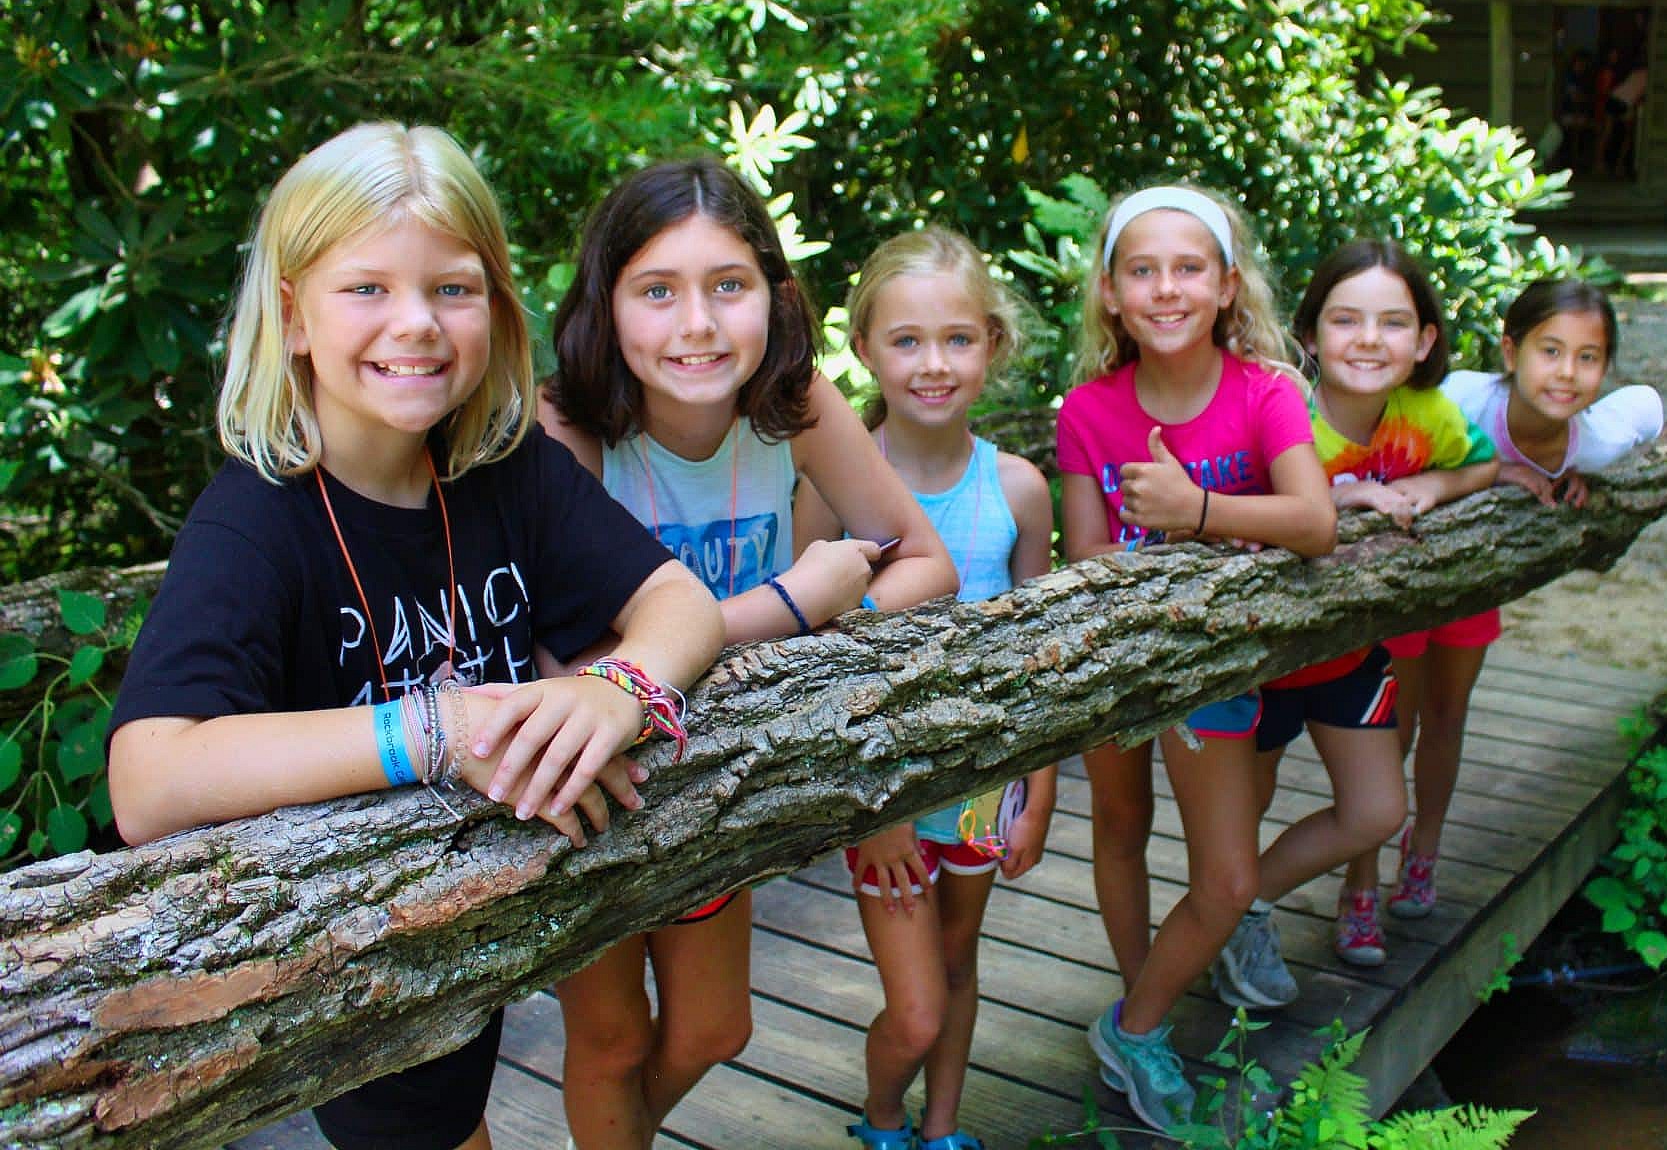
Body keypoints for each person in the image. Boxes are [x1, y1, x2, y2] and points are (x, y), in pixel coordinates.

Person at [106, 121, 726, 1150]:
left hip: (507, 899)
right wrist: (437, 731)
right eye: (367, 288)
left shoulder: (504, 466)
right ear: (293, 315)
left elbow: (680, 601)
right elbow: (146, 778)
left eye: (452, 288)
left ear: (496, 307)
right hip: (363, 952)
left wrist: (619, 687)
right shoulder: (253, 523)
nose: (417, 323)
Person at [540, 157, 956, 1150]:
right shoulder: (569, 425)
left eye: (728, 285)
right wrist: (792, 604)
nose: (697, 324)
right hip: (600, 783)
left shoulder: (793, 401)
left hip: (720, 776)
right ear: (605, 304)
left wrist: (835, 610)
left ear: (775, 294)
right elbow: (573, 662)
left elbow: (927, 563)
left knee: (715, 1028)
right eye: (657, 290)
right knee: (611, 1039)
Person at [1056, 185, 1337, 1132]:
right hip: (1112, 667)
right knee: (1120, 828)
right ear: (1110, 293)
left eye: (1188, 269)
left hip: (1212, 671)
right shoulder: (1087, 411)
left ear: (1226, 285)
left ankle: (1132, 1024)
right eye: (1142, 270)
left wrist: (1199, 512)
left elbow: (1315, 522)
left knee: (1228, 879)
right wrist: (1200, 539)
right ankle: (1151, 1007)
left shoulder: (1266, 392)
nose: (1166, 288)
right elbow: (1085, 552)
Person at [793, 227, 1057, 1150]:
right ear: (865, 348)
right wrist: (879, 812)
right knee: (915, 1010)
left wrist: (1039, 790)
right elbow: (806, 665)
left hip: (985, 786)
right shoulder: (831, 488)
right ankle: (881, 1119)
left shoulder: (1019, 490)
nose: (933, 364)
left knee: (958, 964)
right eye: (906, 340)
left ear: (993, 343)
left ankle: (943, 1129)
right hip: (883, 793)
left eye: (957, 339)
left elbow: (1042, 657)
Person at [1225, 239, 1496, 987]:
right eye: (1346, 320)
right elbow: (1244, 507)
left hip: (1351, 656)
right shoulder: (1283, 413)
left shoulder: (1426, 415)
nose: (1370, 340)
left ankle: (1239, 906)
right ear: (1309, 335)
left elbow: (1483, 463)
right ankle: (1226, 914)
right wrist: (1341, 496)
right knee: (1247, 803)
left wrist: (1435, 488)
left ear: (1426, 341)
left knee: (1377, 810)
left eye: (1393, 323)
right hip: (1264, 660)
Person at [1355, 280, 1663, 936]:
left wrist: (1595, 475)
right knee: (1394, 726)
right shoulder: (1461, 399)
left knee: (1447, 716)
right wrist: (1494, 472)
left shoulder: (1592, 442)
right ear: (1510, 351)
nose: (1567, 373)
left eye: (1588, 358)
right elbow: (1386, 444)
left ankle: (1423, 851)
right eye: (1550, 351)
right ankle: (1360, 876)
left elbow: (1649, 406)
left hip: (1473, 587)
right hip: (1406, 581)